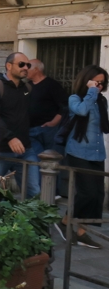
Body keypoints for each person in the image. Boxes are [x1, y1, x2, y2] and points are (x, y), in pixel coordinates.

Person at [58, 64, 109, 249]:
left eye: (102, 83)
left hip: (97, 153)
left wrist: (95, 94)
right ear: (87, 81)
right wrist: (91, 92)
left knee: (97, 195)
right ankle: (66, 221)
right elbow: (81, 111)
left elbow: (104, 125)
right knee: (86, 193)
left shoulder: (102, 101)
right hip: (78, 151)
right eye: (96, 82)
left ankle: (81, 231)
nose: (99, 86)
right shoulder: (75, 98)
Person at [0, 52, 40, 198]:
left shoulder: (27, 88)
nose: (26, 67)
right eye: (21, 64)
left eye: (28, 65)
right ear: (9, 66)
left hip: (25, 150)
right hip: (0, 151)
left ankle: (32, 220)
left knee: (34, 192)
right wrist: (10, 138)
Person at [27, 59, 67, 153]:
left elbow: (64, 106)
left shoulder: (52, 85)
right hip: (30, 130)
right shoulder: (26, 86)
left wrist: (53, 122)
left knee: (51, 158)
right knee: (34, 159)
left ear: (36, 69)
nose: (25, 69)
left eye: (28, 67)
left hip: (48, 130)